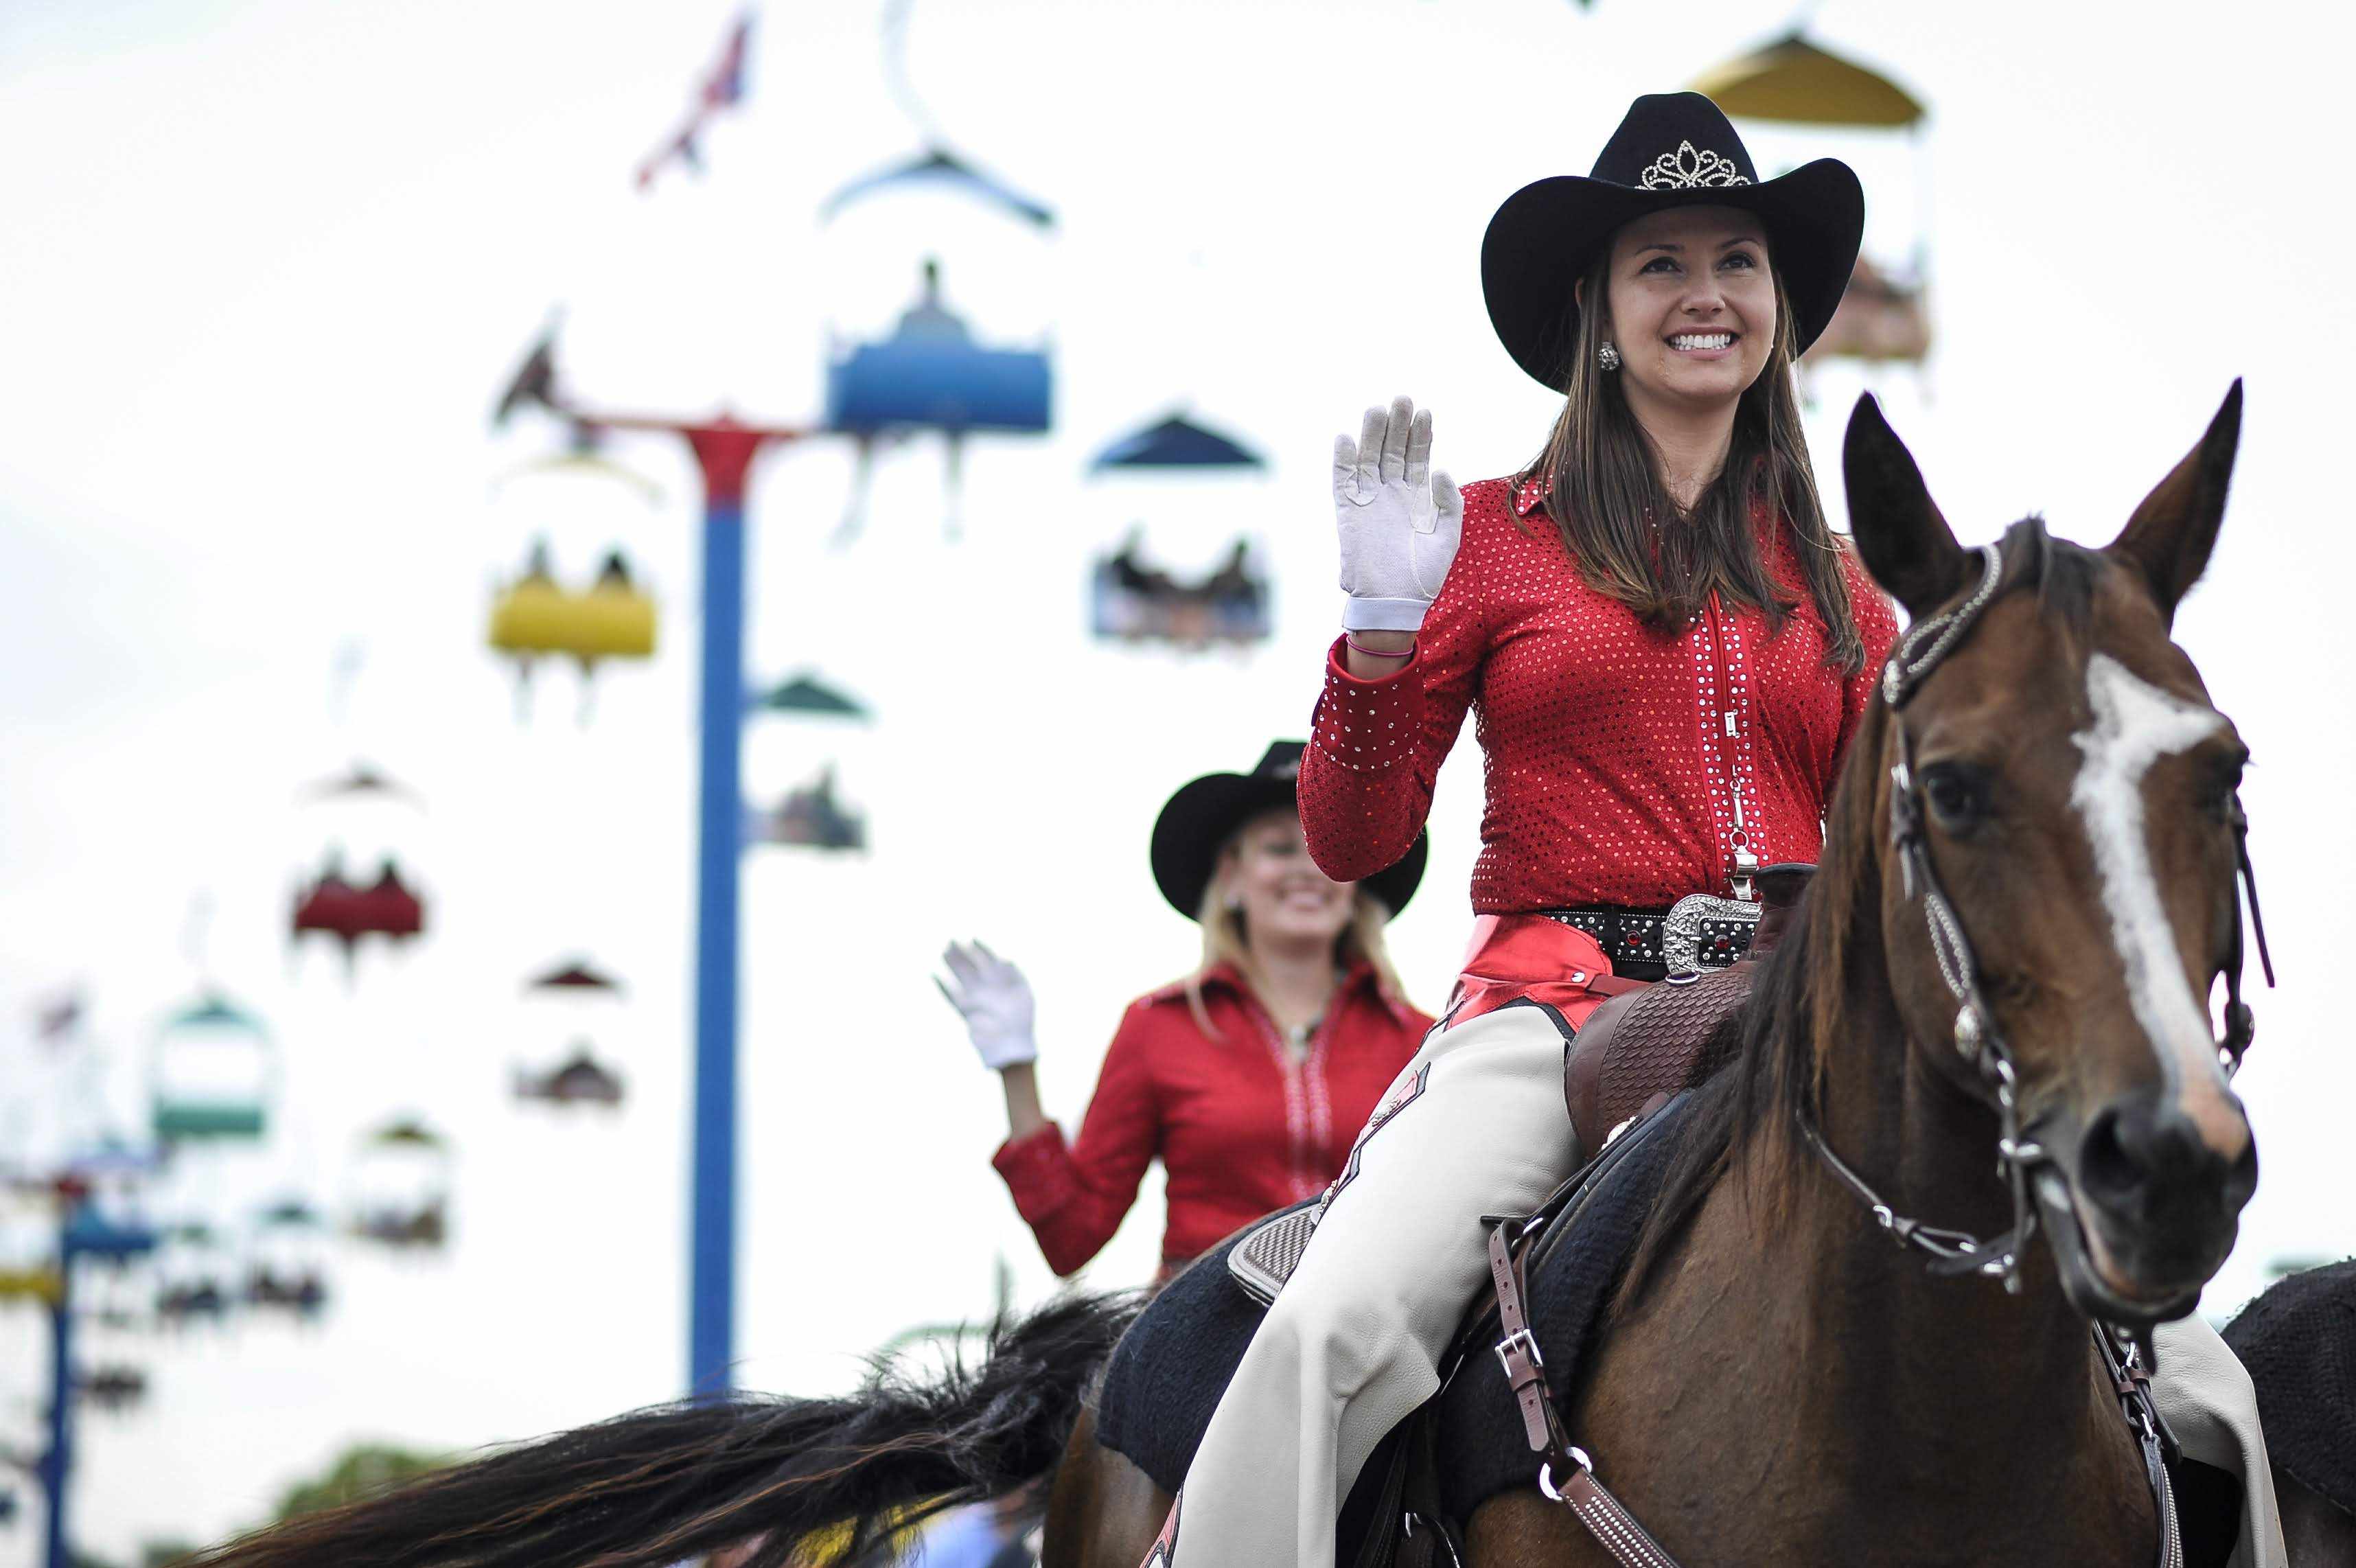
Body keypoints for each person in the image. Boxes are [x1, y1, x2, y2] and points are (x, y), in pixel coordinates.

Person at [1160, 91, 2285, 1568]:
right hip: (1544, 1019)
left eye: (1737, 263)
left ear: (1778, 308)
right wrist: (1377, 640)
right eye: (1663, 264)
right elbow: (1359, 842)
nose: (1707, 295)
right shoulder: (1488, 536)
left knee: (2209, 1397)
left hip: (1799, 1014)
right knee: (1330, 1328)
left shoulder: (1851, 588)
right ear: (1597, 311)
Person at [938, 741, 1433, 1284]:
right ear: (1232, 877)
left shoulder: (1422, 1043)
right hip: (1203, 1338)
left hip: (1367, 1336)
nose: (1309, 871)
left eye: (1329, 849)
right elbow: (1072, 1239)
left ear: (1357, 880)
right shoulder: (1158, 1029)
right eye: (1279, 848)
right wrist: (1017, 1069)